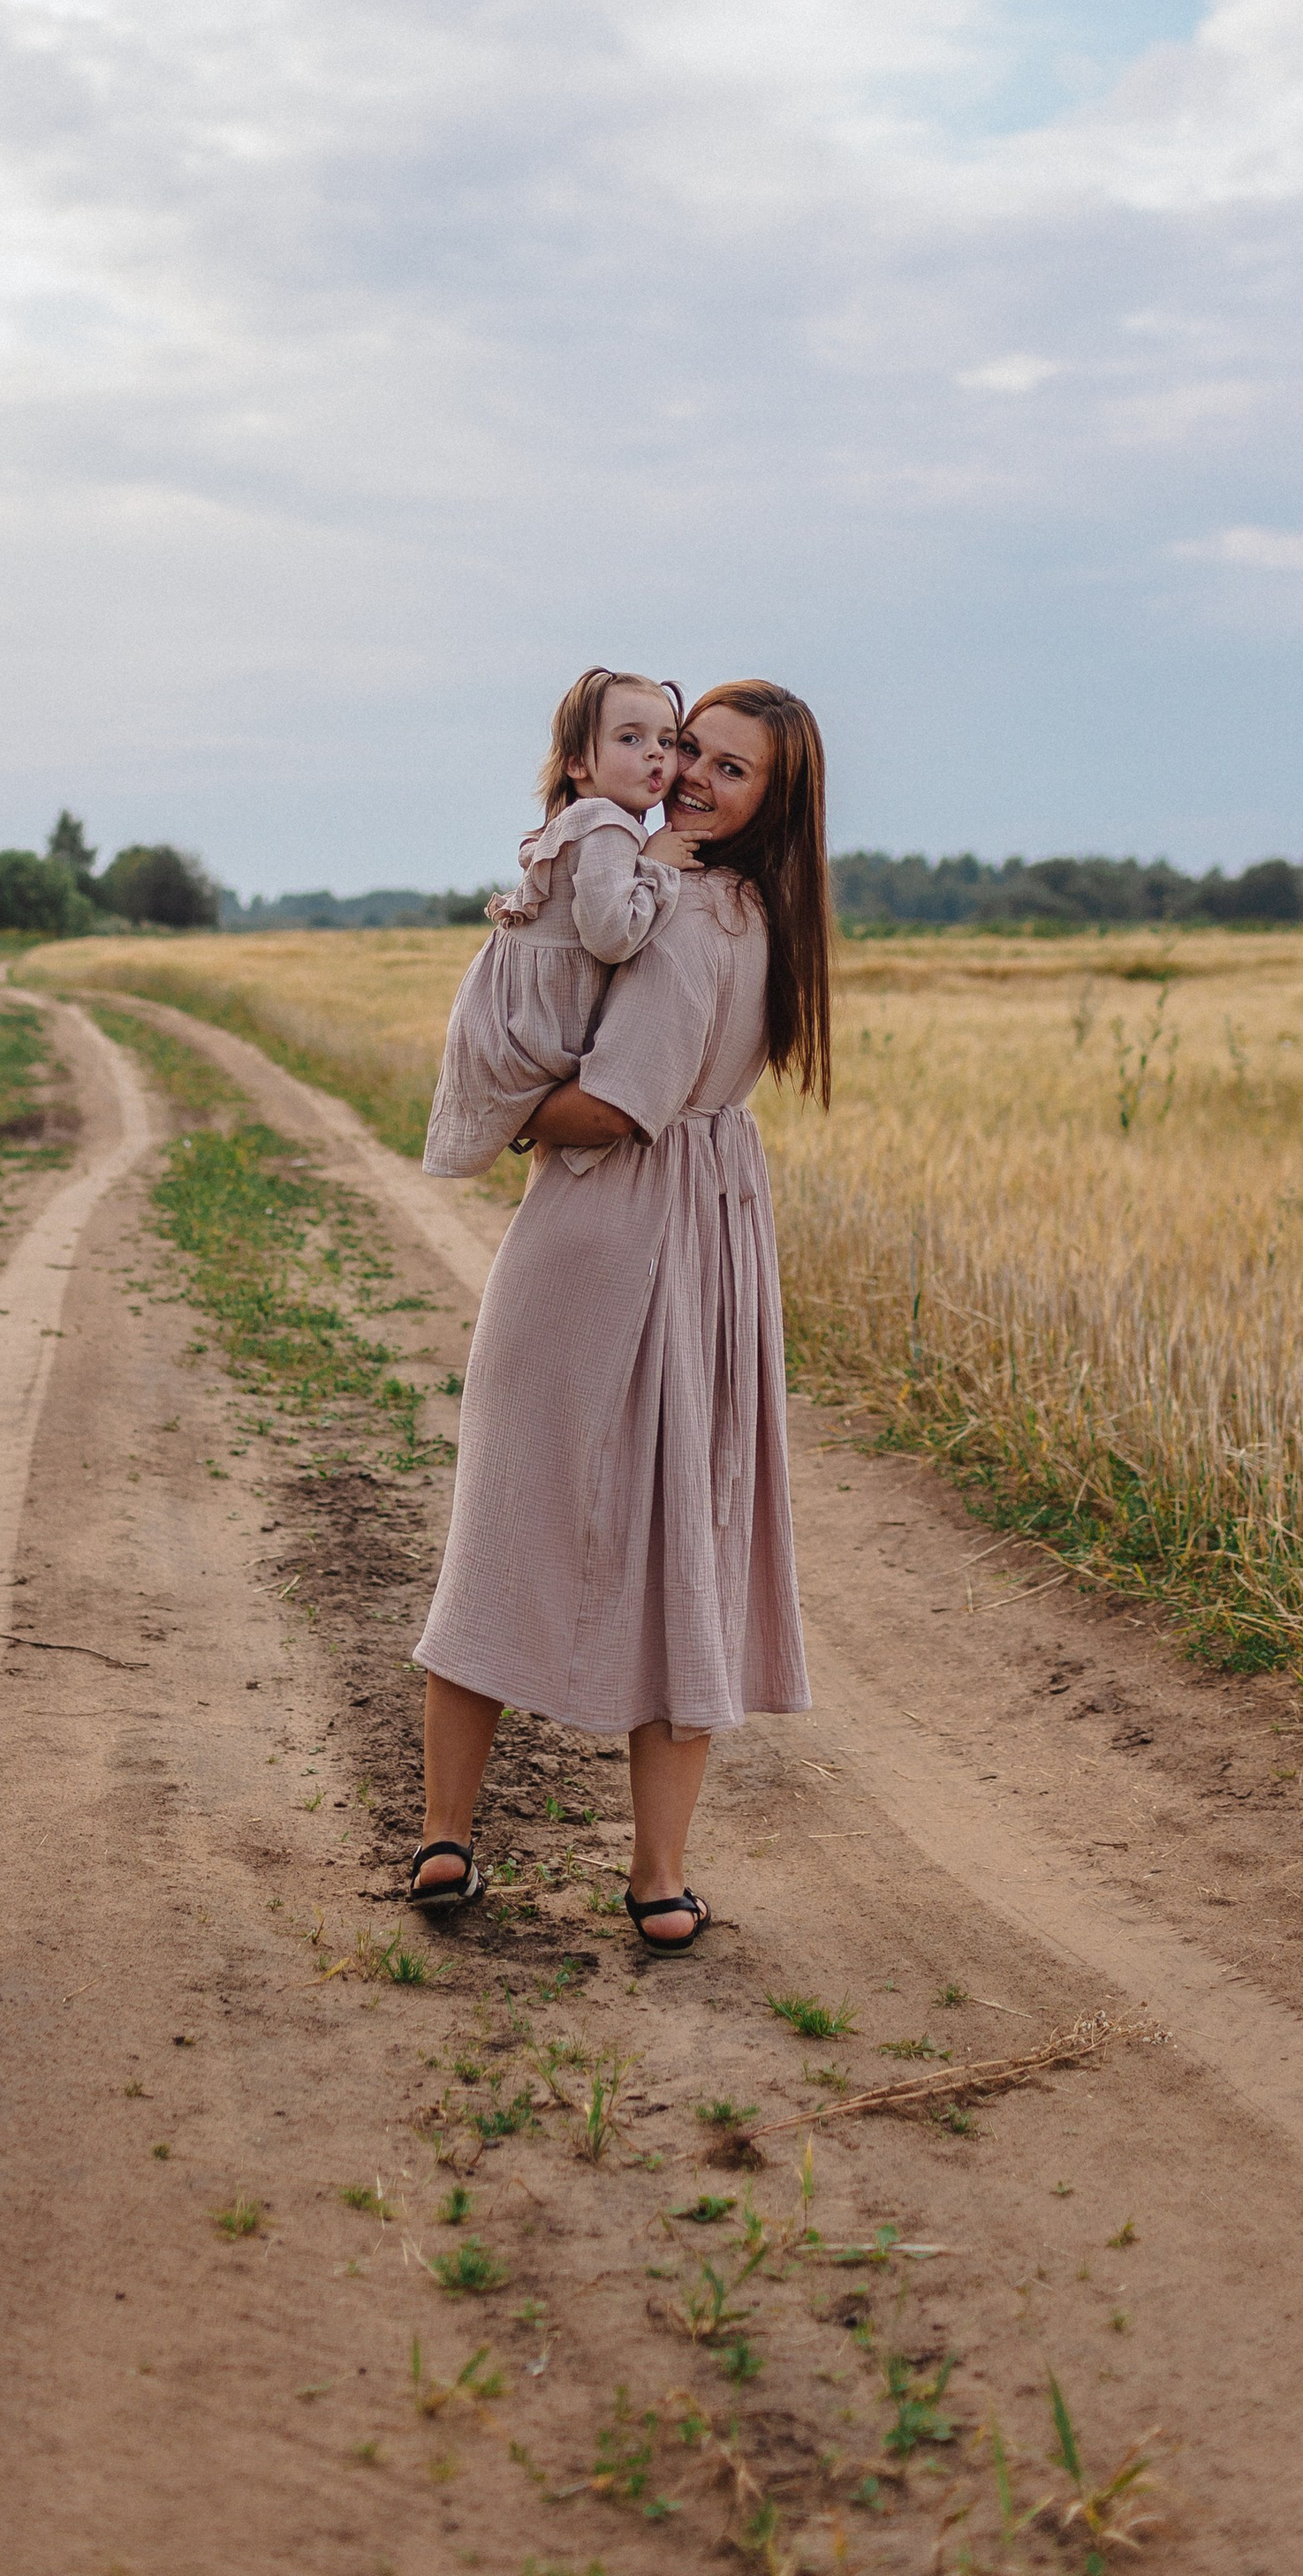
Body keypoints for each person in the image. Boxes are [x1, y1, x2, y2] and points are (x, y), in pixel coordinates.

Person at [409, 679, 832, 1950]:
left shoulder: (684, 911)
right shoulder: (758, 910)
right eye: (689, 749)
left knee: (506, 1523)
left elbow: (615, 1102)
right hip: (707, 1236)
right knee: (686, 1545)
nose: (694, 775)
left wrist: (500, 1109)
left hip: (611, 1224)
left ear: (776, 803)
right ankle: (656, 1883)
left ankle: (446, 1839)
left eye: (731, 770)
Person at [422, 668, 687, 1181]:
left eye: (667, 740)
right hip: (538, 1025)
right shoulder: (607, 827)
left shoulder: (588, 821)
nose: (656, 753)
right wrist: (658, 868)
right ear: (576, 764)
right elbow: (612, 938)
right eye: (630, 738)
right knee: (597, 1123)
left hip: (510, 1011)